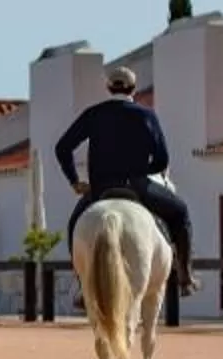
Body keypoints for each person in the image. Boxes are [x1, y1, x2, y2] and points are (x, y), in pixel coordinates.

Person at [51, 66, 196, 293]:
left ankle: (81, 284)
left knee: (74, 225)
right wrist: (141, 170)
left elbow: (62, 148)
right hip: (138, 187)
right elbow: (162, 159)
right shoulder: (147, 116)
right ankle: (185, 277)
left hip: (100, 189)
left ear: (109, 88)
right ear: (133, 88)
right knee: (181, 213)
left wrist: (74, 180)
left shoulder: (94, 114)